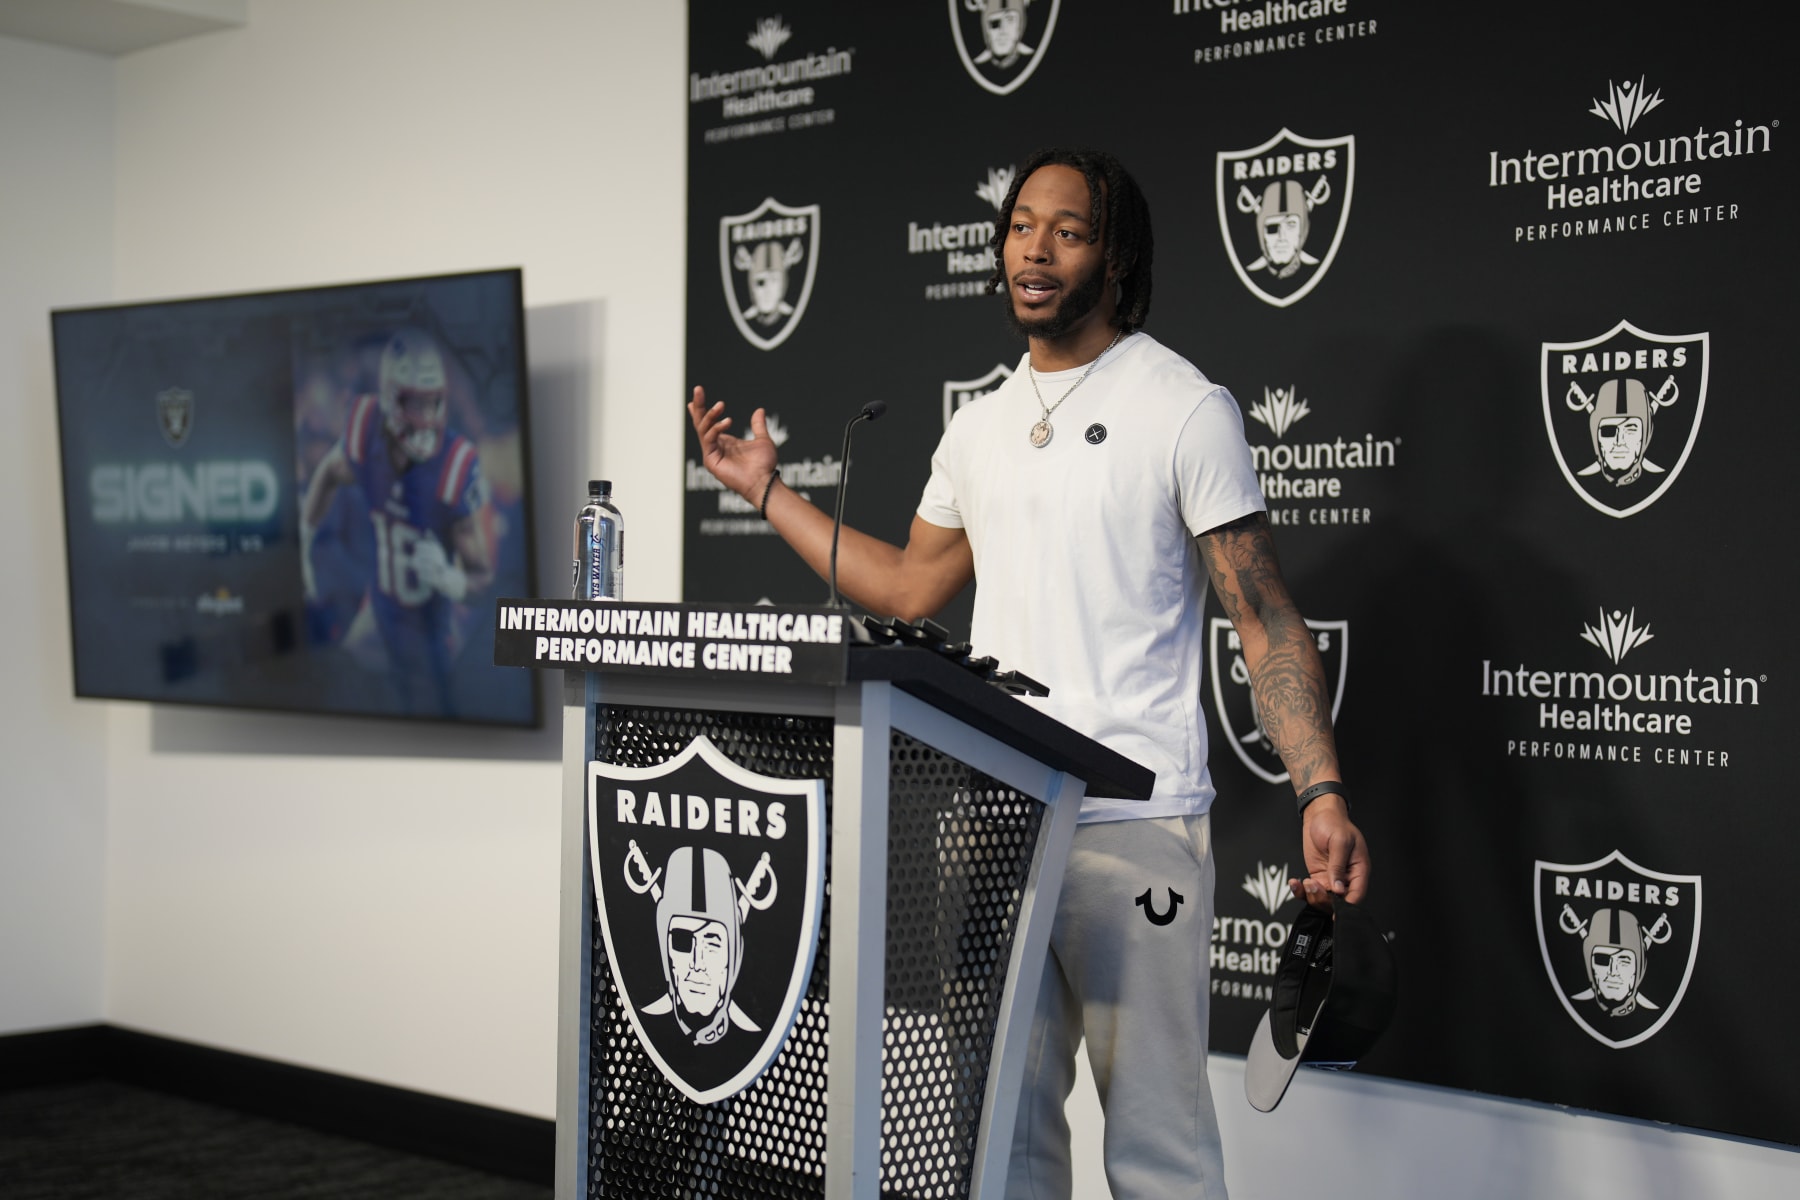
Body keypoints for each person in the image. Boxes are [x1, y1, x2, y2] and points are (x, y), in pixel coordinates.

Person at [688, 148, 1369, 1200]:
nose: (1033, 251)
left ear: (1115, 256)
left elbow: (1263, 613)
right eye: (1019, 227)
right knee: (999, 1140)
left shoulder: (1184, 407)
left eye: (1067, 230)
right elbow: (913, 585)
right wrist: (769, 490)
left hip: (1134, 828)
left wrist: (1317, 785)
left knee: (1158, 1151)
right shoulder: (981, 424)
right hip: (994, 822)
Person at [301, 328, 493, 714]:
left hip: (428, 629)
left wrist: (449, 578)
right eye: (413, 404)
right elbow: (328, 473)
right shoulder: (366, 430)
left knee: (436, 712)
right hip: (380, 608)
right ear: (388, 399)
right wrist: (304, 542)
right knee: (331, 683)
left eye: (434, 404)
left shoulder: (453, 467)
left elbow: (481, 581)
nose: (426, 419)